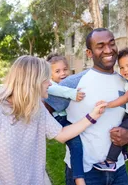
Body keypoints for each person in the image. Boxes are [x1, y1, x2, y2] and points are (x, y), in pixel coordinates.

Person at [0, 55, 107, 185]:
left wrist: (92, 116)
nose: (50, 84)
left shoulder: (36, 107)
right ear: (33, 81)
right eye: (47, 79)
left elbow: (62, 134)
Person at [45, 28, 128, 185]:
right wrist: (61, 134)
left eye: (111, 44)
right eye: (100, 46)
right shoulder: (72, 83)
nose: (108, 50)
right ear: (89, 53)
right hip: (85, 172)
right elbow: (43, 112)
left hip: (118, 168)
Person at [46, 53, 86, 185]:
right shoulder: (50, 84)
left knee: (78, 143)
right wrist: (73, 94)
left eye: (65, 70)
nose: (62, 73)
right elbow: (57, 91)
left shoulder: (65, 83)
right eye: (57, 71)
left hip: (65, 118)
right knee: (76, 144)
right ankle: (78, 177)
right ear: (50, 74)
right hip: (59, 120)